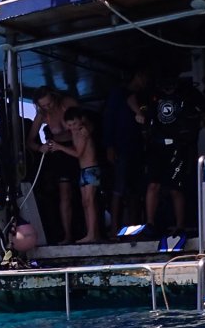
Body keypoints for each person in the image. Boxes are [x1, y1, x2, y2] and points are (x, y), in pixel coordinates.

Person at [131, 68, 205, 246]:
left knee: (176, 187)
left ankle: (179, 225)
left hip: (179, 146)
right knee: (153, 184)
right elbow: (131, 99)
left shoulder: (188, 92)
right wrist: (140, 114)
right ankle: (150, 224)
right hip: (155, 146)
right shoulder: (150, 93)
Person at [27, 86, 80, 245]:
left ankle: (91, 231)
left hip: (78, 148)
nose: (49, 107)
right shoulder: (42, 115)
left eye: (50, 103)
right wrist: (39, 147)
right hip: (59, 154)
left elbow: (86, 123)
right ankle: (68, 235)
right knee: (65, 195)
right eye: (44, 106)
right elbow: (30, 140)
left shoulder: (67, 103)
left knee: (86, 193)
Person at [102, 68, 149, 238]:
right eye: (144, 76)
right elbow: (109, 120)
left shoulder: (143, 96)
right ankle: (115, 229)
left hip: (137, 148)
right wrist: (109, 146)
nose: (146, 81)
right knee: (118, 188)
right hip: (121, 147)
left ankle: (133, 228)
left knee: (135, 190)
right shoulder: (119, 93)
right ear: (137, 75)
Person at [52, 107, 102, 243]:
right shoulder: (74, 133)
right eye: (69, 125)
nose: (72, 127)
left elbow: (78, 153)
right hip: (84, 170)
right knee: (85, 202)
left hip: (91, 169)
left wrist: (59, 147)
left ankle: (92, 234)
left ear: (80, 121)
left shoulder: (82, 131)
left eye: (74, 124)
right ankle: (91, 233)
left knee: (90, 202)